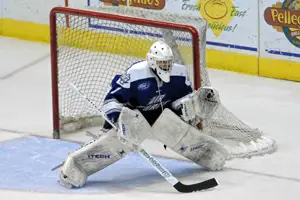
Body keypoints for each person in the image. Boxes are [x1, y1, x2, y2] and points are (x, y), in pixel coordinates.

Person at [58, 41, 230, 189]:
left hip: (162, 115)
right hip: (134, 118)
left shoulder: (179, 73)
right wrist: (119, 121)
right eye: (162, 63)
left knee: (175, 122)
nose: (167, 67)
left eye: (168, 63)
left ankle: (209, 153)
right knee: (118, 141)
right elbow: (111, 100)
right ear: (152, 61)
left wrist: (192, 106)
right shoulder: (134, 74)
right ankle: (75, 168)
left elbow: (181, 100)